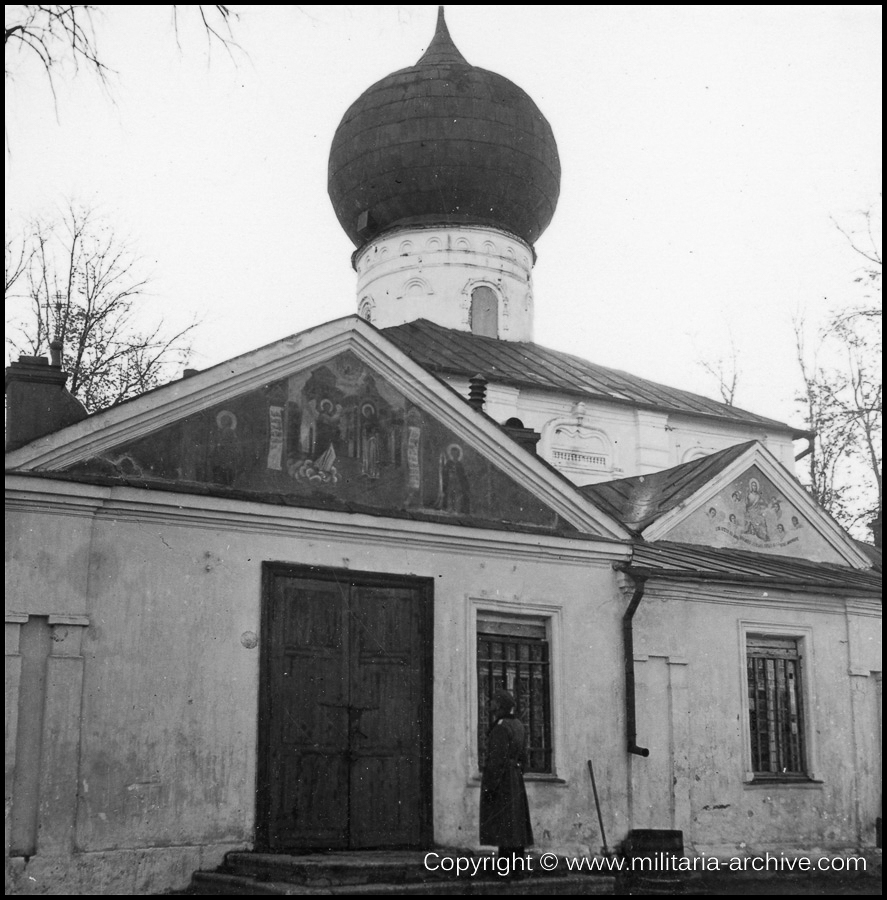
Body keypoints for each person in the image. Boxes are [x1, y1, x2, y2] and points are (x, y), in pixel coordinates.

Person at [479, 689, 534, 868]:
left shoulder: (501, 726)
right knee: (515, 824)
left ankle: (506, 869)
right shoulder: (518, 724)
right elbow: (524, 756)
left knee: (504, 824)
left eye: (494, 701)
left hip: (503, 779)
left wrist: (490, 786)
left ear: (501, 705)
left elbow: (496, 760)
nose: (491, 704)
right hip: (515, 777)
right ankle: (517, 867)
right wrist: (517, 772)